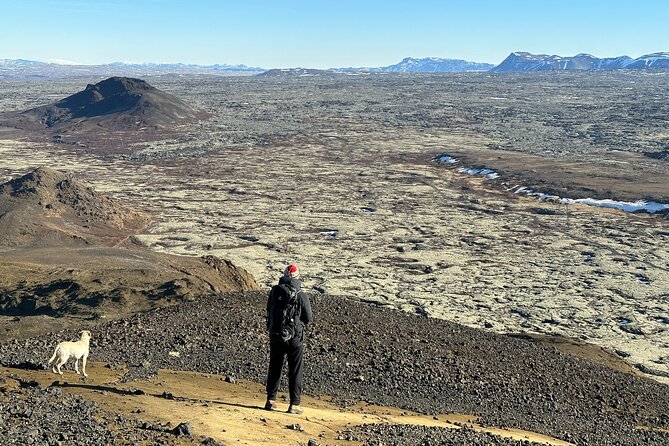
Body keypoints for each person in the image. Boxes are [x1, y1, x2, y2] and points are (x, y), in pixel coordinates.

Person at [265, 264, 312, 414]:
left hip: (276, 335)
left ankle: (270, 400)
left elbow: (268, 309)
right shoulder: (301, 295)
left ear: (284, 275)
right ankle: (294, 405)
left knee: (275, 366)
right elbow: (308, 317)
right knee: (295, 369)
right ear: (298, 277)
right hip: (295, 338)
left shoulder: (274, 292)